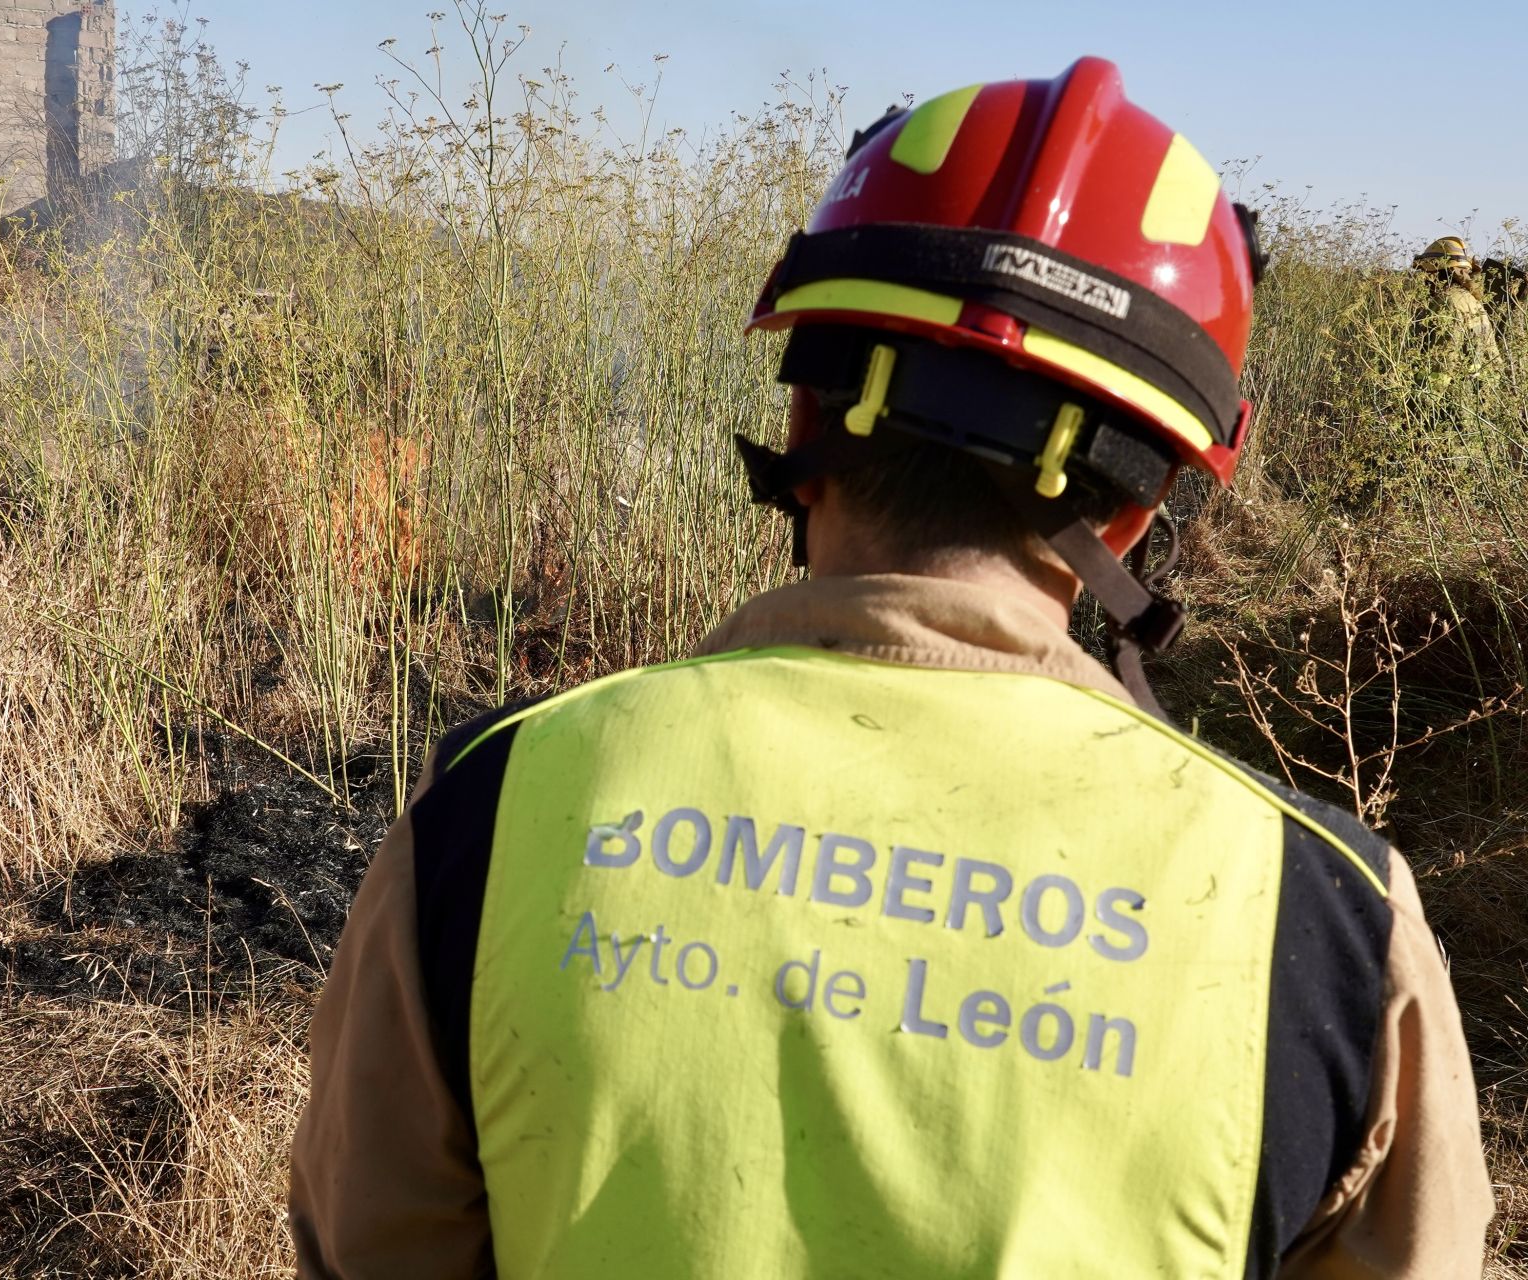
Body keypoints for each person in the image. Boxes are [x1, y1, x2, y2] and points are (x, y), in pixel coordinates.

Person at [289, 57, 1491, 1278]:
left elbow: (370, 1245)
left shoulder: (493, 810)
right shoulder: (1333, 929)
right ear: (1143, 509)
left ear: (805, 419)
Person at [1414, 235, 1500, 369]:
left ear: (1437, 272)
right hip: (1485, 378)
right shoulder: (1471, 298)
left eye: (1427, 272)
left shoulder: (1447, 302)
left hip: (1459, 380)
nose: (1425, 279)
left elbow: (1444, 360)